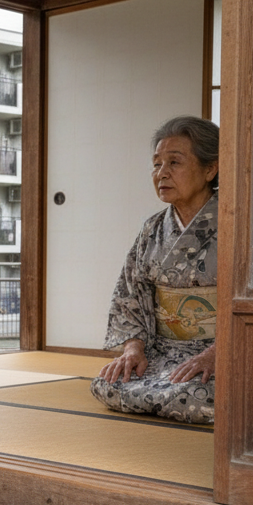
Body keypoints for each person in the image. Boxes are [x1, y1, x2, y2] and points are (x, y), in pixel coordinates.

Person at [91, 116, 219, 424]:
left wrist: (215, 355)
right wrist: (133, 350)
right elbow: (130, 296)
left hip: (219, 353)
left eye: (174, 162)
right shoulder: (152, 228)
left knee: (199, 394)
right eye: (157, 164)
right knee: (109, 384)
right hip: (162, 352)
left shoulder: (235, 223)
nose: (162, 173)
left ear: (210, 169)